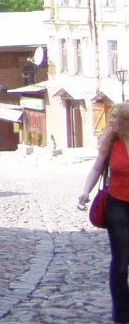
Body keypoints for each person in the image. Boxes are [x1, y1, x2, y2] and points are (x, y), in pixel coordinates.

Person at [79, 103, 129, 324]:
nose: (111, 120)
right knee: (121, 259)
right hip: (117, 203)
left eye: (116, 116)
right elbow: (97, 168)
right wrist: (85, 192)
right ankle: (122, 313)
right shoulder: (111, 142)